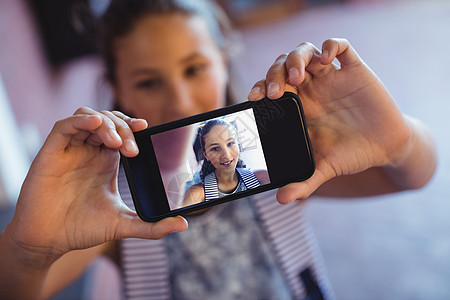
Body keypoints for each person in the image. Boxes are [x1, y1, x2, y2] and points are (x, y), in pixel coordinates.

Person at [0, 0, 437, 299]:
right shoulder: (112, 203)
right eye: (149, 81)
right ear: (117, 89)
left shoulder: (277, 166)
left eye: (195, 68)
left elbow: (413, 175)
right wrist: (27, 250)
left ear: (225, 58)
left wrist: (398, 140)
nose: (180, 100)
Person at [183, 118, 269, 207]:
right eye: (215, 148)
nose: (227, 156)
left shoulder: (262, 178)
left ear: (238, 146)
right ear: (206, 155)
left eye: (230, 143)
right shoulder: (196, 194)